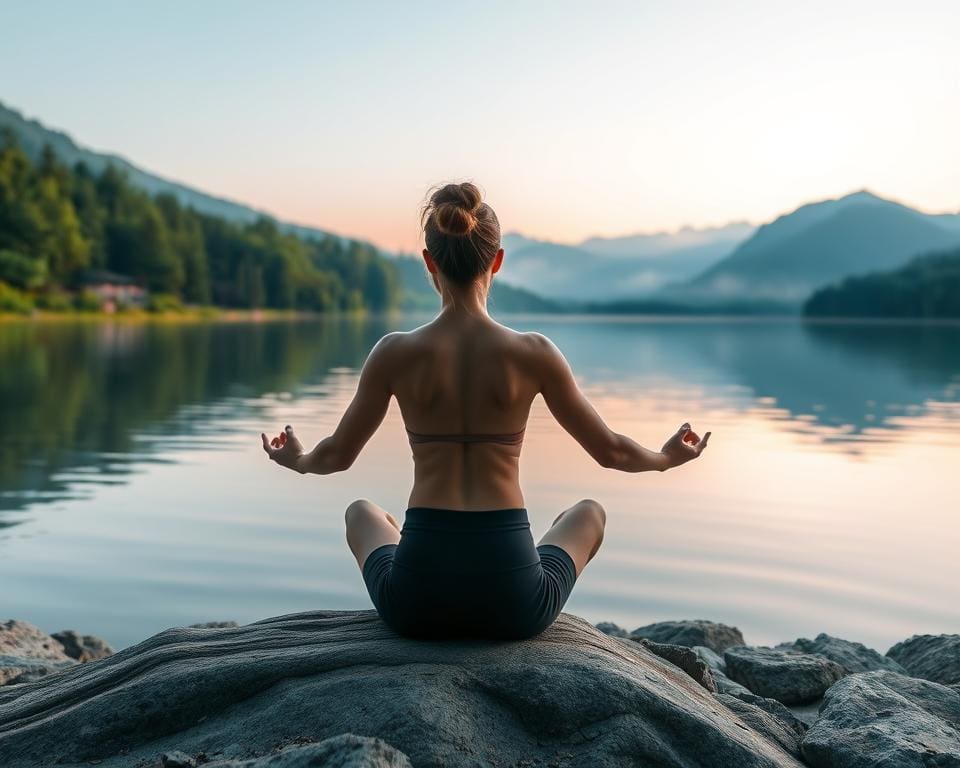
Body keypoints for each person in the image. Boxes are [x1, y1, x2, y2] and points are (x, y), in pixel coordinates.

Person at [261, 182, 710, 640]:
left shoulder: (394, 353)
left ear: (429, 263)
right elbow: (612, 452)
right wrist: (666, 457)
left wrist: (295, 458)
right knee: (588, 513)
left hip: (417, 604)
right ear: (496, 261)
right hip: (514, 604)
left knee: (361, 511)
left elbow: (336, 455)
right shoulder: (534, 353)